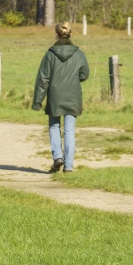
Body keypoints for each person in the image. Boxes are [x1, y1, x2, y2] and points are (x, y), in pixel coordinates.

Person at [32, 21, 89, 173]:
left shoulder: (50, 54)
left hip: (55, 96)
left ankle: (58, 157)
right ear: (70, 34)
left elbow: (43, 79)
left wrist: (37, 102)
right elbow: (85, 75)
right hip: (73, 96)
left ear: (56, 35)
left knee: (54, 126)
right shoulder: (79, 53)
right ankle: (69, 166)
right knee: (69, 131)